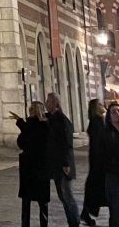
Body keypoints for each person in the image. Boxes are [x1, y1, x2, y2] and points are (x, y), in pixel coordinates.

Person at [46, 92, 79, 227]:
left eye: (48, 101)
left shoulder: (62, 120)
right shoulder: (53, 119)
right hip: (56, 165)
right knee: (63, 196)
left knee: (67, 196)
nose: (46, 104)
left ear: (55, 103)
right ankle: (72, 221)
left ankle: (74, 222)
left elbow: (66, 143)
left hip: (64, 165)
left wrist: (66, 163)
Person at [17, 101, 51, 227]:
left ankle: (25, 224)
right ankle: (44, 224)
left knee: (27, 199)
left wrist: (22, 125)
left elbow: (22, 142)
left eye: (31, 109)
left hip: (30, 166)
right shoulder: (46, 125)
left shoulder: (30, 125)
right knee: (42, 201)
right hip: (42, 166)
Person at [80, 98, 107, 226]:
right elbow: (99, 143)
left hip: (97, 160)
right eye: (100, 105)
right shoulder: (97, 122)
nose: (103, 106)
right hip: (99, 161)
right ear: (96, 109)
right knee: (96, 187)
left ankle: (86, 212)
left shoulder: (98, 121)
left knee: (94, 187)